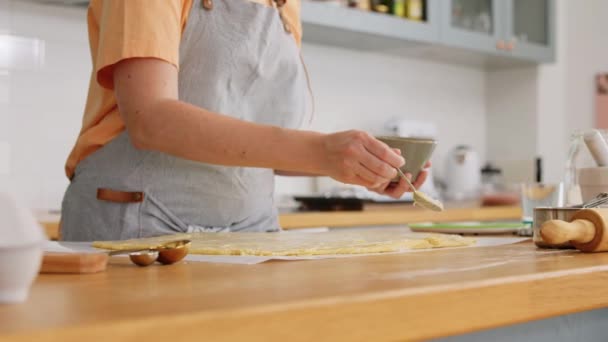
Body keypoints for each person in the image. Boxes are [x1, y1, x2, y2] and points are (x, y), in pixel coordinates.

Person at [60, 0, 429, 241]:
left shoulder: (284, 7)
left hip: (253, 238)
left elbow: (263, 149)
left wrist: (358, 165)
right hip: (139, 234)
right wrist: (322, 152)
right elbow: (150, 118)